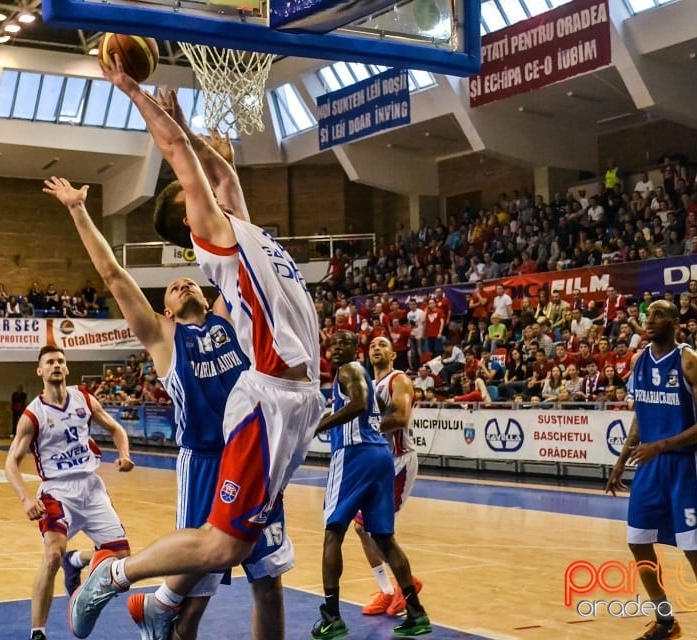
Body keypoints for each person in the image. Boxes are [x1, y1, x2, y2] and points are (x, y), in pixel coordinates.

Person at [69, 51, 324, 640]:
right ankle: (119, 577)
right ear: (191, 217)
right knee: (220, 548)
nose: (210, 188)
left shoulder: (246, 230)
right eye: (198, 192)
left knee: (255, 566)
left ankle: (155, 602)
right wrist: (138, 94)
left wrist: (198, 140)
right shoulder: (214, 242)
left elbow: (224, 178)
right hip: (263, 402)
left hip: (298, 399)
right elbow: (181, 160)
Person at [606, 300, 697, 640]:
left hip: (688, 465)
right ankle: (665, 620)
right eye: (648, 315)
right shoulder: (639, 360)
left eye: (658, 315)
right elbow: (640, 415)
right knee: (638, 541)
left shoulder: (692, 363)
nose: (649, 320)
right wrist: (621, 460)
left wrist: (661, 445)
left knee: (694, 550)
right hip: (650, 466)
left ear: (676, 322)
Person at [4, 345, 134, 640]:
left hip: (91, 487)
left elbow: (117, 430)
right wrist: (26, 498)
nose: (57, 365)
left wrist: (124, 454)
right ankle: (38, 632)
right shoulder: (33, 414)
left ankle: (75, 561)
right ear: (40, 371)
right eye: (50, 362)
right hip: (56, 492)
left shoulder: (84, 398)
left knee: (122, 557)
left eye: (61, 361)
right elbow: (11, 462)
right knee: (51, 556)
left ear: (67, 368)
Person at [312, 331, 430, 638]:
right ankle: (416, 613)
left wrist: (320, 425)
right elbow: (373, 406)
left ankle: (331, 616)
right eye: (333, 343)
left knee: (332, 533)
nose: (336, 347)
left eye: (343, 343)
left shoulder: (349, 370)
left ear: (354, 349)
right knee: (382, 538)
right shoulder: (365, 376)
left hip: (355, 455)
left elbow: (364, 405)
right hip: (381, 456)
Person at [356, 336, 424, 617]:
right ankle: (386, 591)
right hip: (376, 462)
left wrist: (361, 424)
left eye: (383, 345)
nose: (376, 348)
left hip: (398, 462)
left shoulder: (399, 380)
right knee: (362, 528)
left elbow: (400, 417)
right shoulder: (368, 386)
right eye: (372, 345)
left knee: (377, 530)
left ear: (393, 354)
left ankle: (406, 583)